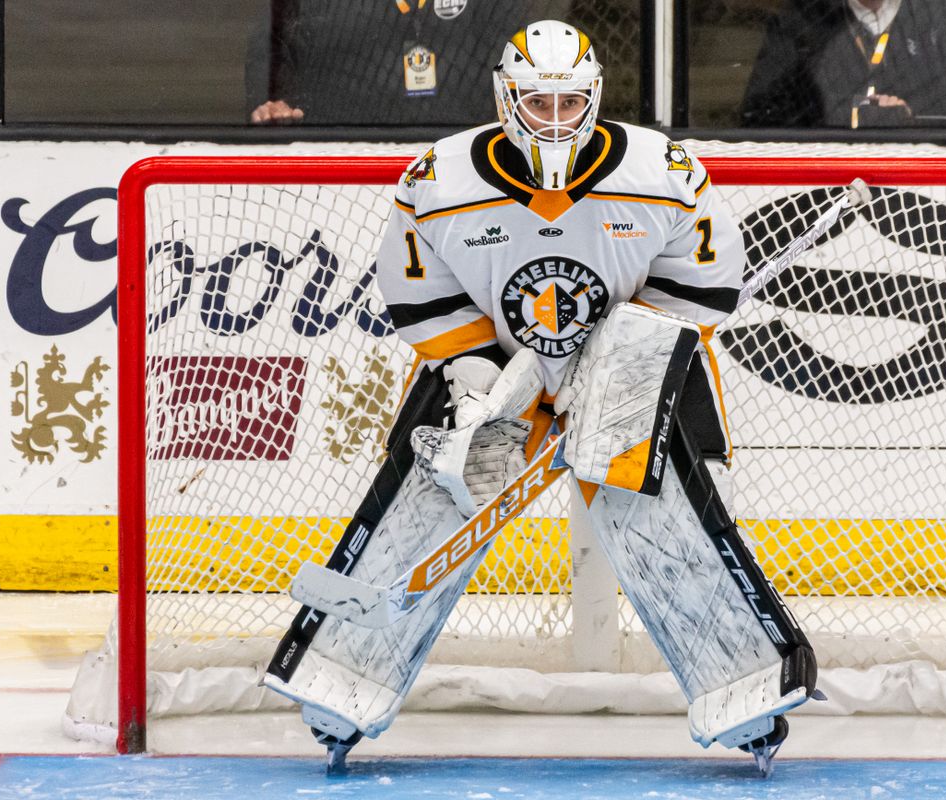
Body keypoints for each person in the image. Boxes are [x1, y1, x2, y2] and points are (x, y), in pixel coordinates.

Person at [262, 20, 818, 776]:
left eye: (568, 103)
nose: (554, 119)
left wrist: (618, 365)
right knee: (430, 501)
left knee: (664, 522)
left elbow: (703, 284)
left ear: (593, 97)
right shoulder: (438, 179)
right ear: (504, 97)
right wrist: (476, 379)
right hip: (492, 373)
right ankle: (341, 680)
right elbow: (418, 293)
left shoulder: (664, 171)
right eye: (536, 103)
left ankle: (750, 688)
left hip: (625, 378)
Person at [246, 0, 563, 125]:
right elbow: (276, 53)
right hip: (350, 158)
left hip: (464, 152)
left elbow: (521, 60)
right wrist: (277, 107)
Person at [739, 0, 946, 128]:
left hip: (928, 176)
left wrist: (910, 111)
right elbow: (761, 109)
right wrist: (852, 114)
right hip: (831, 179)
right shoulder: (801, 19)